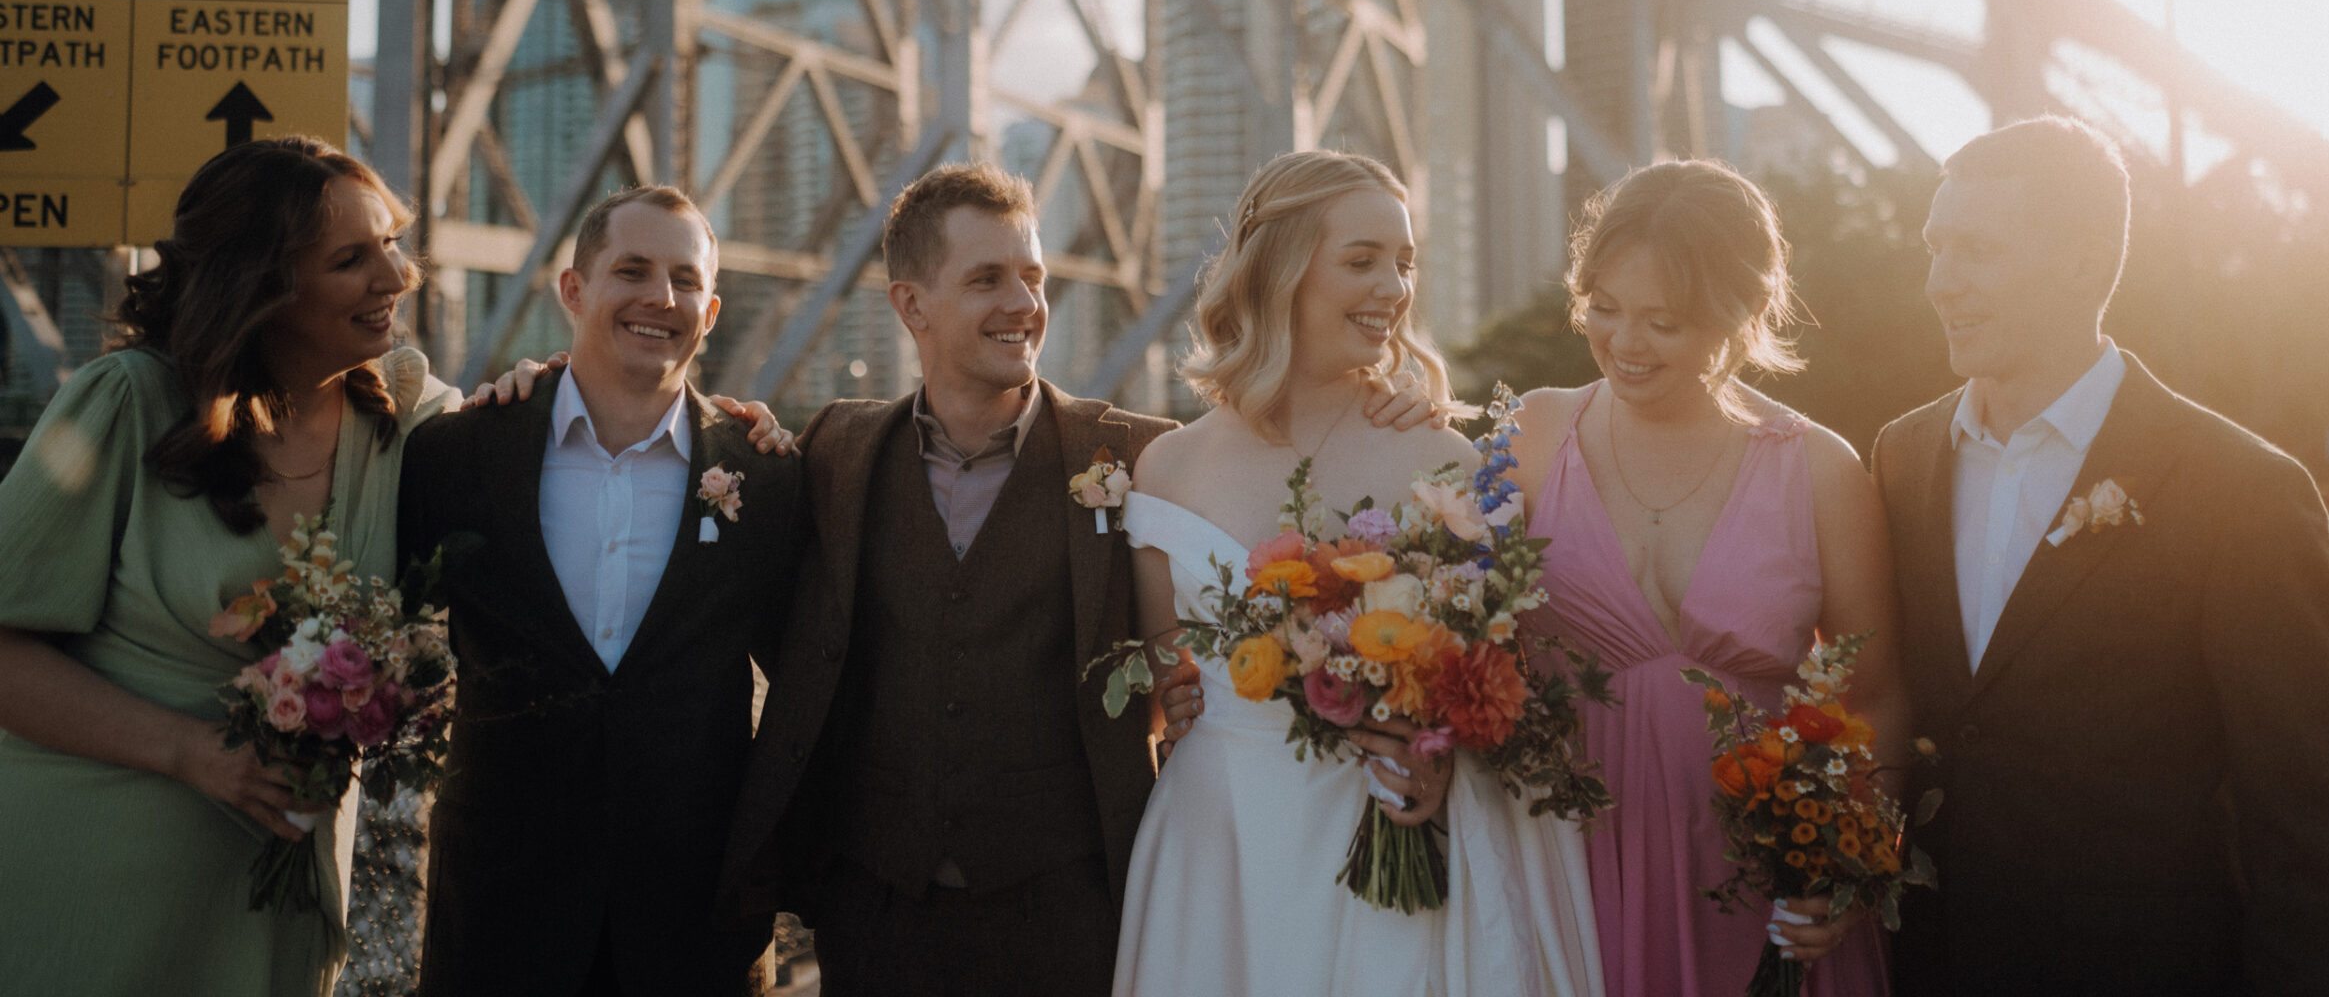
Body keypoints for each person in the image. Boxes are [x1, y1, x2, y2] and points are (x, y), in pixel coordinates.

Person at [719, 160, 1449, 996]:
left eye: (1033, 276)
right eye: (987, 279)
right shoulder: (835, 453)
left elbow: (1274, 480)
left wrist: (1397, 403)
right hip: (874, 911)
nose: (1023, 304)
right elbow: (775, 620)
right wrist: (540, 388)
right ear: (911, 304)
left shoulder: (1140, 455)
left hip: (1071, 913)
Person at [1875, 116, 2329, 996]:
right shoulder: (1902, 457)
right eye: (1934, 248)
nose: (1939, 282)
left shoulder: (2245, 492)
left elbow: (2309, 837)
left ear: (2082, 260)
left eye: (1976, 251)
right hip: (1930, 967)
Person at [1110, 149, 1605, 996]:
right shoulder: (1167, 469)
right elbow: (1168, 695)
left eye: (1405, 263)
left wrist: (1441, 752)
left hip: (1397, 831)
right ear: (1283, 269)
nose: (1393, 289)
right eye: (1362, 260)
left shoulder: (1443, 458)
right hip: (1224, 851)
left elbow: (1504, 677)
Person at [0, 137, 458, 997]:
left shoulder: (408, 423)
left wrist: (740, 438)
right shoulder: (124, 403)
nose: (395, 278)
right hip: (80, 871)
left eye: (393, 242)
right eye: (351, 259)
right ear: (262, 284)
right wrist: (191, 751)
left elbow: (554, 446)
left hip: (270, 887)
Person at [398, 185, 806, 997]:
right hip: (499, 919)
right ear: (573, 290)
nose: (662, 298)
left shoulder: (769, 477)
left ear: (712, 310)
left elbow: (808, 679)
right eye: (633, 270)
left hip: (694, 933)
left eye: (686, 280)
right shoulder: (458, 454)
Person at [1509, 159, 1903, 997]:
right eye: (1603, 309)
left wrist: (1848, 866)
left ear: (1744, 312)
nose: (1623, 343)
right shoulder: (1534, 432)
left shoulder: (1822, 471)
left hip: (1761, 890)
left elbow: (1876, 699)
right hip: (1568, 869)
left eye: (1663, 321)